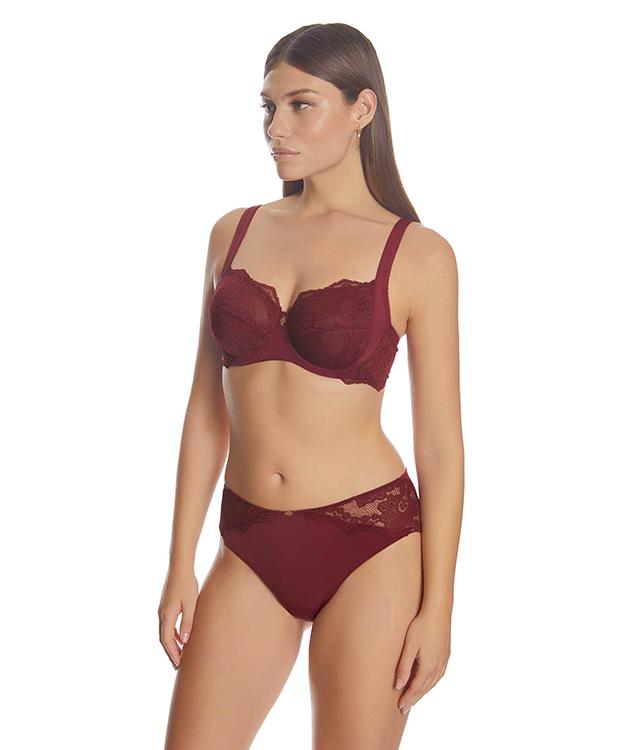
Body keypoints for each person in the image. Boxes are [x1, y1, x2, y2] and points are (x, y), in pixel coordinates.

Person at [160, 22, 464, 750]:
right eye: (268, 107)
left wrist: (440, 608)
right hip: (249, 540)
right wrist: (179, 563)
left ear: (363, 109)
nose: (276, 128)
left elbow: (441, 446)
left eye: (301, 105)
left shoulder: (418, 255)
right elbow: (206, 410)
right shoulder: (233, 232)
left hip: (372, 544)